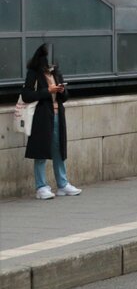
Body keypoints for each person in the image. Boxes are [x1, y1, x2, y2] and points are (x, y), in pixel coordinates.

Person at [22, 44, 81, 200]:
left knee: (58, 150)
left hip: (57, 116)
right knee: (41, 151)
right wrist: (48, 91)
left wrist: (61, 91)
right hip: (41, 117)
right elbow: (26, 95)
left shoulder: (56, 73)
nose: (52, 64)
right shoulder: (34, 73)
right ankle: (41, 187)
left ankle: (63, 184)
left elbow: (65, 97)